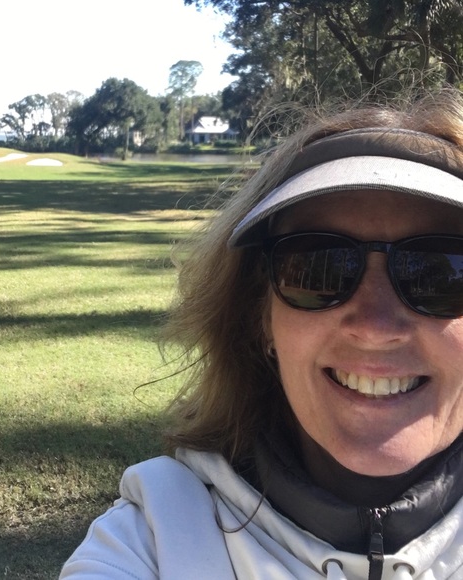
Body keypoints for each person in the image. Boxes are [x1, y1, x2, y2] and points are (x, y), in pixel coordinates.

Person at [59, 89, 463, 580]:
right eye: (317, 268)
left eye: (443, 274)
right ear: (260, 317)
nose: (375, 327)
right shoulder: (154, 541)